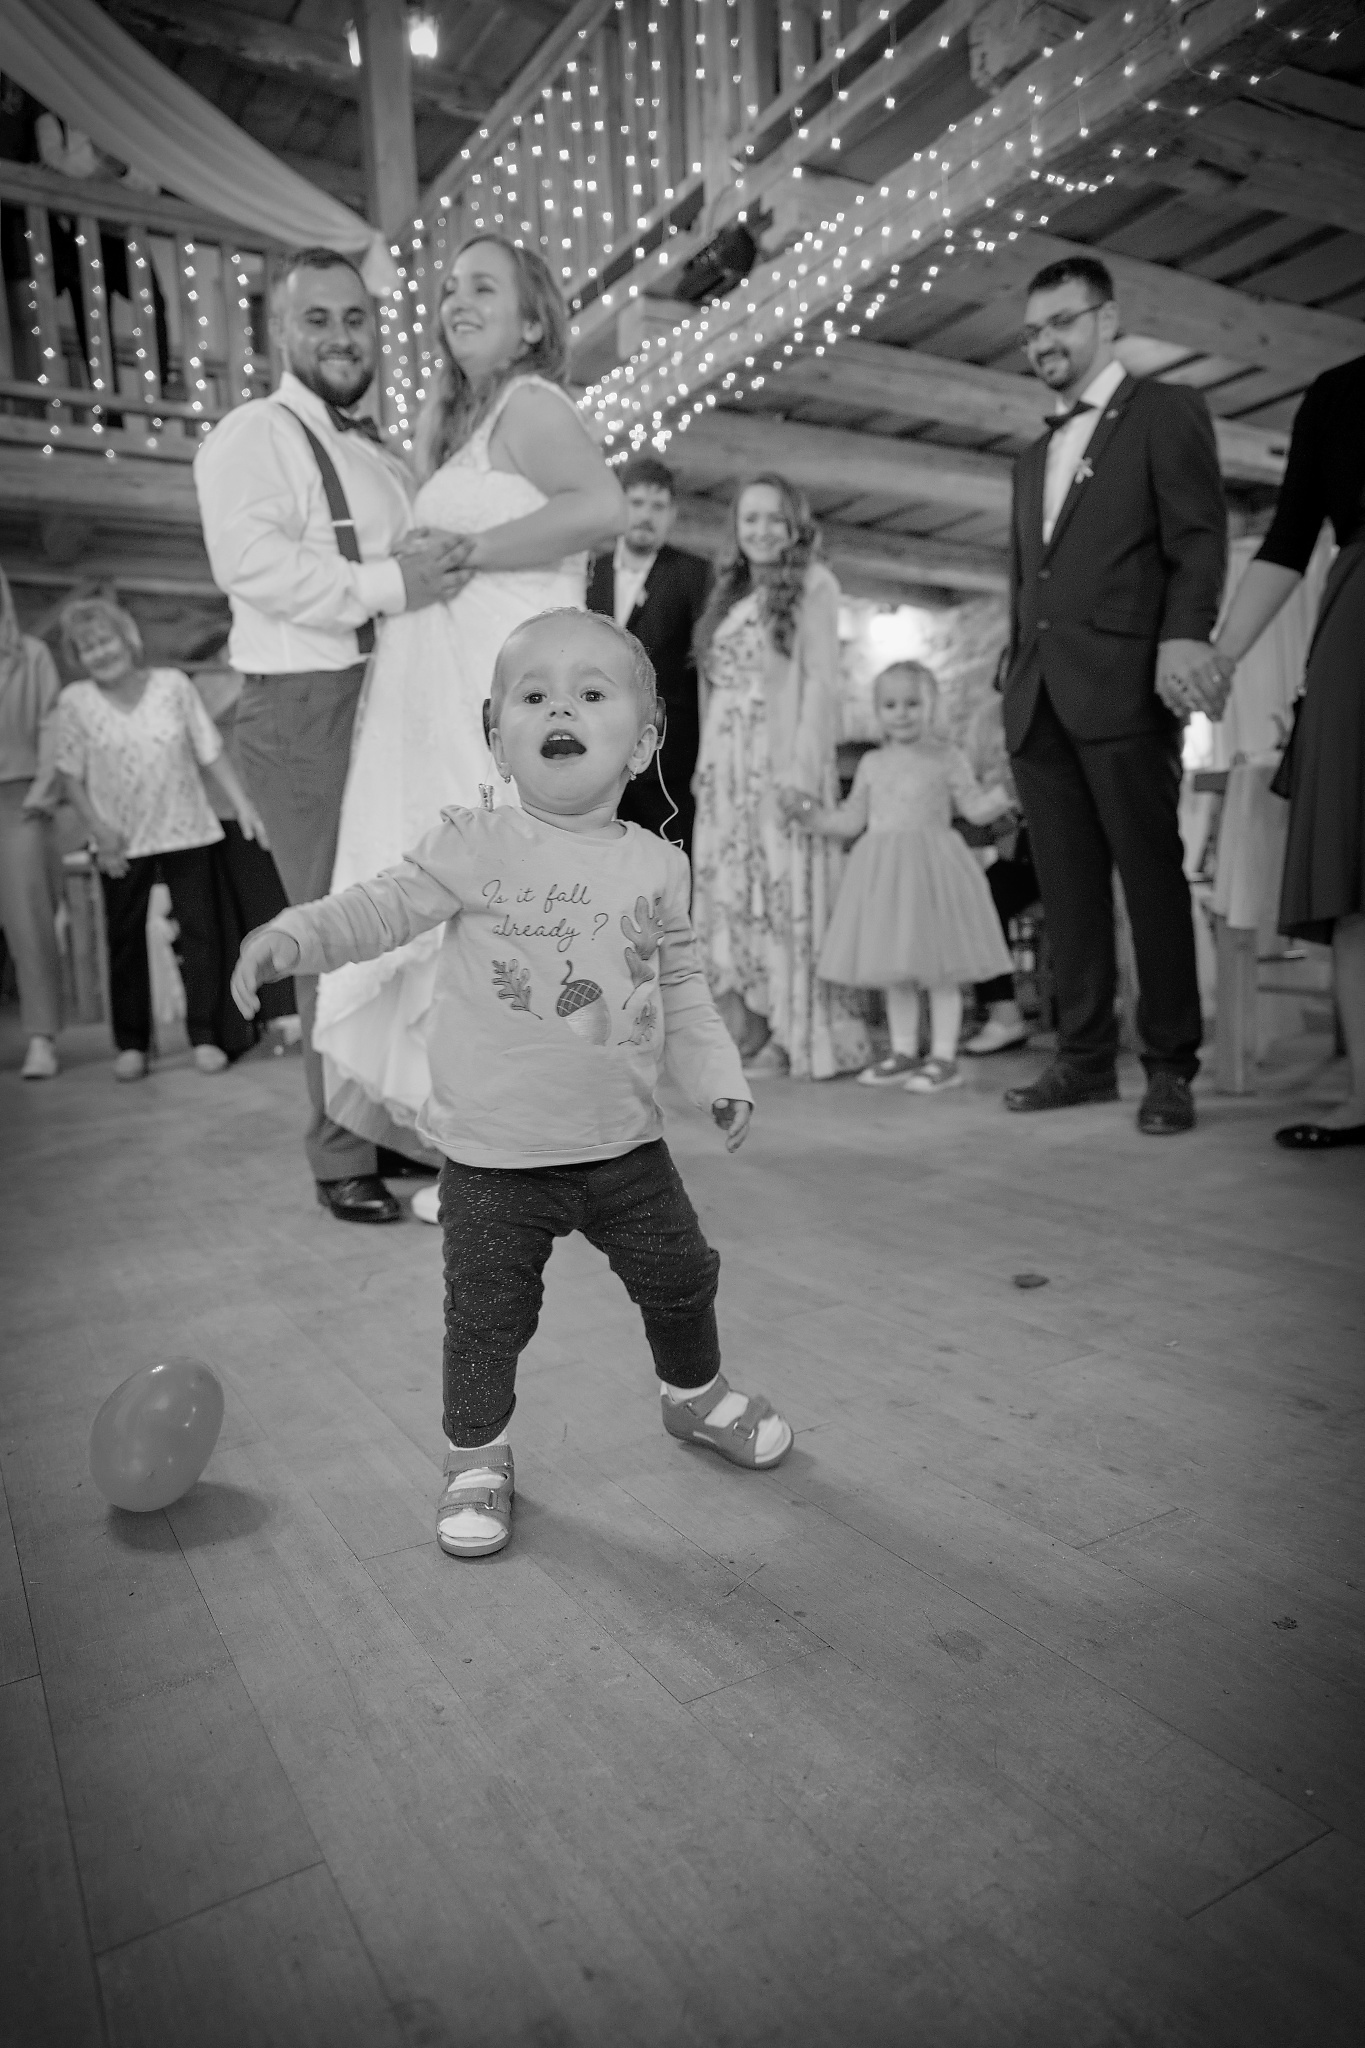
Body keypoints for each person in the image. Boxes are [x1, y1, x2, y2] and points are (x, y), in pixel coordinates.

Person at [231, 610, 792, 1559]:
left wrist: (717, 1078)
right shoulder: (472, 843)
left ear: (643, 739)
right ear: (497, 738)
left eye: (589, 692)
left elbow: (682, 990)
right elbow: (377, 910)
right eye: (533, 696)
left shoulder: (659, 865)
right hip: (494, 1159)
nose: (558, 709)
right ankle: (476, 1458)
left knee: (682, 1277)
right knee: (486, 1321)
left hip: (625, 1145)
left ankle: (693, 1397)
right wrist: (295, 935)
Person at [312, 235, 625, 1197]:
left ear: (531, 322)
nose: (456, 301)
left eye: (482, 287)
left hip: (494, 704)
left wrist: (465, 554)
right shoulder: (469, 422)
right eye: (448, 289)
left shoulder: (531, 404)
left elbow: (600, 507)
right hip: (449, 707)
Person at [195, 245, 471, 1223]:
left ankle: (381, 1119)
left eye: (355, 317)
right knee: (328, 923)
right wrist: (394, 582)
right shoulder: (253, 433)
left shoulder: (380, 454)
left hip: (385, 701)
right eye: (317, 318)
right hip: (302, 705)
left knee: (395, 917)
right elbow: (251, 564)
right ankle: (337, 1148)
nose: (341, 336)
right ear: (280, 329)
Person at [1001, 255, 1227, 1135]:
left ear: (1106, 319)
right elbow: (1026, 583)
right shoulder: (1030, 457)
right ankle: (1085, 1058)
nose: (1043, 342)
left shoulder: (1165, 410)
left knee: (1150, 880)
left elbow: (1197, 537)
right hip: (1039, 699)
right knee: (1066, 893)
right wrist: (1009, 682)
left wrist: (1185, 635)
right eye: (1031, 331)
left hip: (1126, 685)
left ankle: (1169, 1067)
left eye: (1060, 321)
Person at [1195, 354, 1365, 1151]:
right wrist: (1220, 657)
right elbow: (1289, 535)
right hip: (1357, 619)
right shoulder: (1336, 393)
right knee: (1356, 872)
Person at [691, 474, 870, 1080]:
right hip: (726, 768)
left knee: (779, 891)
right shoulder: (729, 591)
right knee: (732, 894)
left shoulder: (815, 584)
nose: (761, 530)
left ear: (795, 525)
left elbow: (820, 681)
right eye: (750, 519)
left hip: (779, 759)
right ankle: (748, 1026)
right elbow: (715, 687)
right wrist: (704, 769)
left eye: (774, 518)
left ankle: (793, 1033)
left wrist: (801, 771)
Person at [49, 597, 267, 1081]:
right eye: (88, 648)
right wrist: (98, 830)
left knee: (201, 934)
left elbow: (209, 749)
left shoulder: (172, 685)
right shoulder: (76, 702)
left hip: (186, 827)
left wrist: (243, 805)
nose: (101, 653)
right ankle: (132, 1045)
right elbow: (69, 775)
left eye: (106, 640)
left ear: (128, 639)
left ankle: (206, 1036)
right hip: (118, 839)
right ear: (78, 658)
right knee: (124, 940)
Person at [787, 661, 1015, 1092]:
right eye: (890, 705)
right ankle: (904, 1051)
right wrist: (810, 815)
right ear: (877, 710)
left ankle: (944, 1057)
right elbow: (852, 820)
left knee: (941, 971)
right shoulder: (872, 763)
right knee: (895, 971)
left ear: (931, 706)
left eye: (912, 703)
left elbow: (975, 809)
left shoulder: (947, 757)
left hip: (935, 875)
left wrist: (1006, 790)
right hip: (884, 879)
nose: (902, 713)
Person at [587, 455, 710, 853]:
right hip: (598, 757)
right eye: (637, 502)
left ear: (672, 515)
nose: (646, 515)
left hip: (670, 763)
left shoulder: (696, 575)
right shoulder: (589, 573)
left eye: (658, 506)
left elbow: (707, 670)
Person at [0, 568, 64, 1079]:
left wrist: (43, 791)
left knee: (29, 921)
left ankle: (42, 1038)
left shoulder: (31, 654)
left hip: (19, 801)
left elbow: (51, 723)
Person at [961, 693, 1037, 1056]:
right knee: (979, 895)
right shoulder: (989, 718)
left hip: (1066, 849)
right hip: (1018, 856)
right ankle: (1002, 1012)